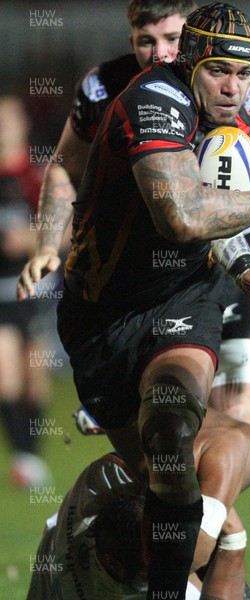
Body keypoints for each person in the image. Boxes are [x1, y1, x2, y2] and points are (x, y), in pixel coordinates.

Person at [17, 1, 250, 597]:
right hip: (104, 315)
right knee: (167, 475)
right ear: (191, 60)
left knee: (174, 428)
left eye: (244, 74)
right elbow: (179, 215)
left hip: (190, 294)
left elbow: (243, 210)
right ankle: (215, 560)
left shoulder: (243, 113)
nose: (233, 88)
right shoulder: (138, 96)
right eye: (218, 72)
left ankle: (187, 583)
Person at [26, 408, 250, 599]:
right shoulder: (97, 487)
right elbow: (235, 441)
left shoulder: (100, 485)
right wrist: (228, 533)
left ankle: (131, 413)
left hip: (62, 565)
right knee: (242, 444)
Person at [0, 95, 53, 487]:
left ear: (23, 125)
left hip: (34, 289)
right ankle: (23, 458)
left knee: (36, 378)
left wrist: (30, 239)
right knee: (6, 376)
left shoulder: (38, 176)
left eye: (8, 119)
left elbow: (64, 233)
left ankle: (32, 456)